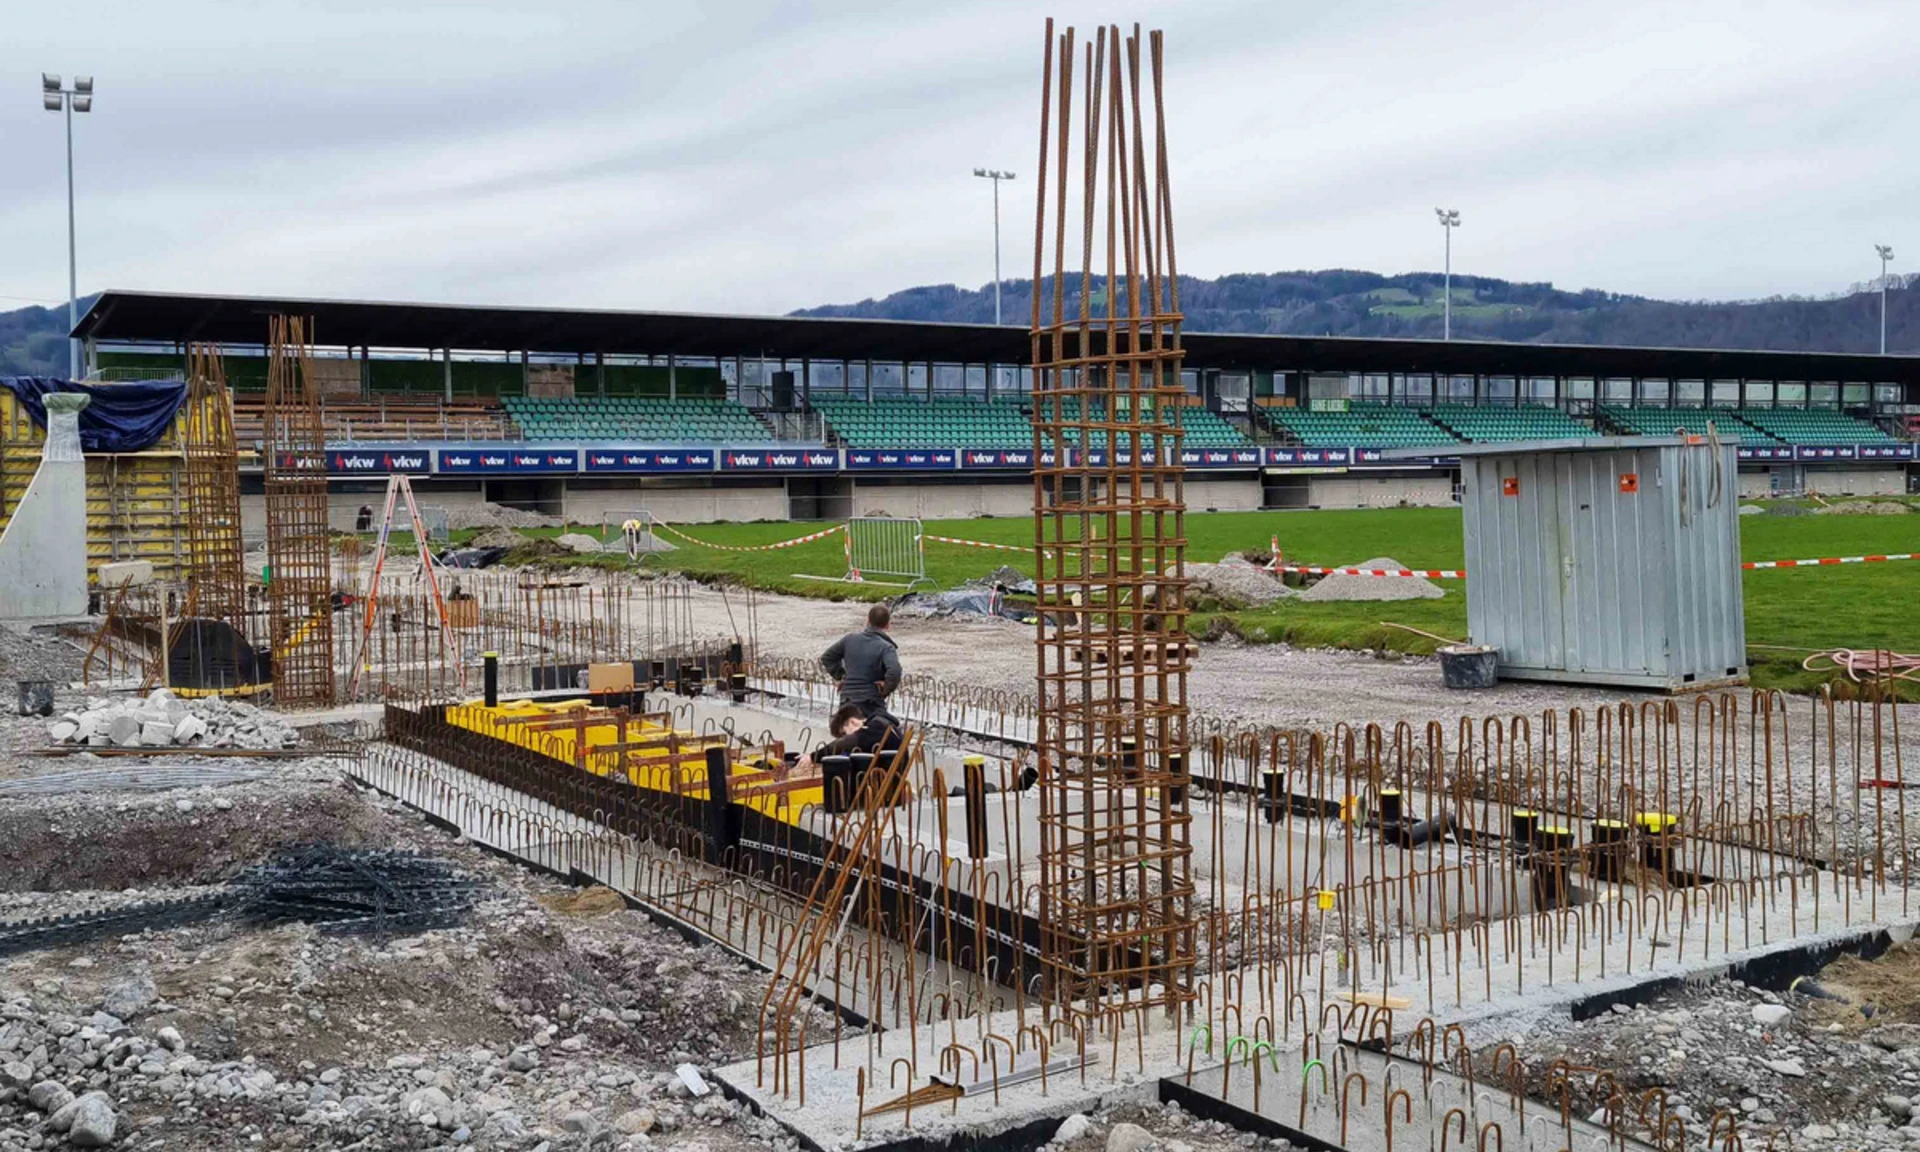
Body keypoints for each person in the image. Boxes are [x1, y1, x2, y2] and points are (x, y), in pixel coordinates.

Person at [820, 603, 901, 716]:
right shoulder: (887, 648)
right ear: (888, 625)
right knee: (874, 731)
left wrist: (842, 676)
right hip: (871, 702)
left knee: (848, 732)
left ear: (867, 621)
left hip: (847, 700)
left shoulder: (849, 640)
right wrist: (886, 689)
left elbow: (827, 657)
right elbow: (894, 671)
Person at [795, 702, 904, 774]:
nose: (845, 737)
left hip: (888, 783)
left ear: (852, 722)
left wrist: (813, 756)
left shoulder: (875, 726)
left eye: (844, 733)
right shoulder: (879, 724)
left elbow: (847, 743)